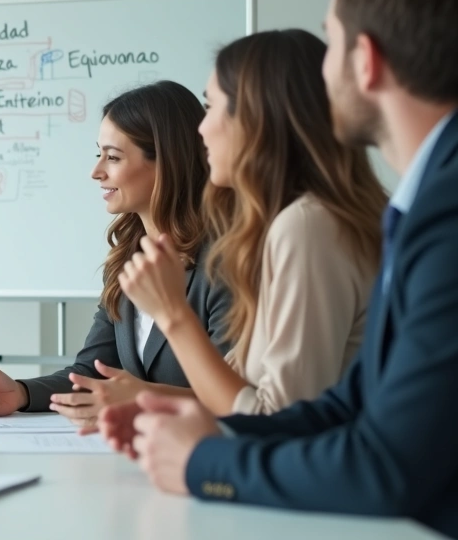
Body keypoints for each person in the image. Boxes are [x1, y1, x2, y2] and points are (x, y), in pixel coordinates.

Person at [99, 0, 458, 537]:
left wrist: (205, 460)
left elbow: (386, 463)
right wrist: (204, 434)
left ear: (366, 62)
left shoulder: (425, 213)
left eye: (332, 40)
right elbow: (350, 404)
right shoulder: (421, 201)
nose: (323, 72)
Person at [117, 29, 385, 416]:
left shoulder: (307, 228)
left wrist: (173, 314)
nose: (200, 129)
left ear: (259, 118)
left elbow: (277, 420)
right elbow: (234, 393)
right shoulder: (292, 225)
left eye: (212, 108)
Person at [0, 81, 230, 428]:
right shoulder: (129, 260)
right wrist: (22, 393)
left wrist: (141, 399)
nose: (96, 171)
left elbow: (235, 397)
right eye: (98, 154)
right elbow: (90, 372)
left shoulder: (224, 264)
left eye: (113, 157)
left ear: (167, 161)